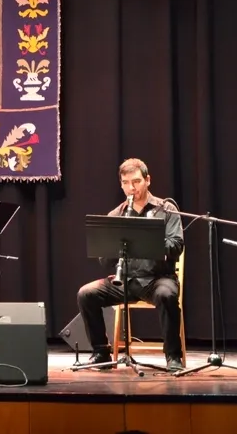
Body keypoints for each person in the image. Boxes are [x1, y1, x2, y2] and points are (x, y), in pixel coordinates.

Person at [76, 158, 185, 372]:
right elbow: (104, 260)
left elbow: (176, 245)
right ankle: (101, 352)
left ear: (148, 180)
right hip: (125, 281)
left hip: (157, 279)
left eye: (136, 181)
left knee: (167, 295)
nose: (131, 187)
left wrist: (149, 239)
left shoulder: (166, 209)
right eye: (126, 182)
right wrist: (106, 247)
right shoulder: (117, 214)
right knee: (86, 294)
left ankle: (173, 356)